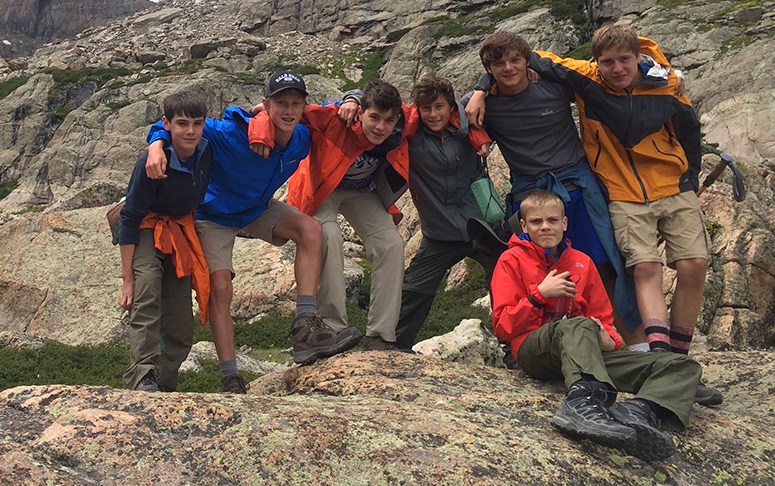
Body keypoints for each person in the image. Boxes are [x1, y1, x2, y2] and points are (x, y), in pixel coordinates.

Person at [145, 70, 361, 393]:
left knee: (311, 230)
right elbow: (173, 124)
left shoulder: (301, 136)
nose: (288, 111)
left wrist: (354, 98)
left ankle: (304, 327)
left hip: (258, 208)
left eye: (295, 104)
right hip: (214, 214)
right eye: (280, 103)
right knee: (220, 287)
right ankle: (230, 376)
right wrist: (155, 147)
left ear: (304, 107)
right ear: (265, 104)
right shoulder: (233, 134)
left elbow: (339, 111)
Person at [518, 28, 713, 371]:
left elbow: (688, 128)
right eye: (607, 62)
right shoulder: (587, 77)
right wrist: (480, 88)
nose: (617, 68)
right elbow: (522, 56)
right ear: (596, 62)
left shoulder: (664, 81)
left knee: (693, 265)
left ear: (638, 57)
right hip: (623, 192)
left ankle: (678, 357)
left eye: (624, 59)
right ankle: (664, 360)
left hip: (673, 184)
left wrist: (691, 176)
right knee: (645, 267)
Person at [491, 190, 701, 461]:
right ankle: (583, 402)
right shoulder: (511, 260)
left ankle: (638, 412)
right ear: (524, 226)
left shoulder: (582, 262)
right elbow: (502, 326)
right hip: (535, 352)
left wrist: (608, 339)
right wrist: (539, 295)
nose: (545, 227)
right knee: (576, 326)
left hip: (585, 354)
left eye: (553, 220)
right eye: (536, 222)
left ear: (565, 224)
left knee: (680, 365)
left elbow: (604, 320)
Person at [463, 31, 642, 343]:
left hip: (577, 185)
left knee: (603, 264)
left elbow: (604, 75)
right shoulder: (482, 102)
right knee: (526, 269)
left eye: (516, 60)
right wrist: (479, 93)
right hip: (529, 192)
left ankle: (627, 343)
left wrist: (670, 75)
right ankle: (529, 344)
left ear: (527, 60)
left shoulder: (552, 85)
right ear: (488, 69)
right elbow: (440, 114)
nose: (508, 68)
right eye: (499, 63)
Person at [247, 80, 409, 351]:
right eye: (374, 118)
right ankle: (331, 328)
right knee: (328, 234)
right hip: (321, 189)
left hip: (362, 192)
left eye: (389, 121)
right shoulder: (336, 117)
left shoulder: (403, 123)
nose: (381, 127)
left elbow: (441, 111)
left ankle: (380, 336)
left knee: (391, 245)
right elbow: (278, 111)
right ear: (360, 114)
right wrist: (262, 125)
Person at [115, 90, 214, 392]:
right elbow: (130, 219)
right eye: (182, 123)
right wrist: (127, 278)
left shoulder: (206, 150)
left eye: (197, 124)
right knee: (147, 288)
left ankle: (165, 382)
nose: (190, 131)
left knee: (181, 321)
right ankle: (142, 376)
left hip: (180, 229)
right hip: (146, 225)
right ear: (167, 124)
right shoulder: (151, 163)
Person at [394, 75, 501, 350]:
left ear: (451, 106)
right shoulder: (410, 134)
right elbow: (373, 103)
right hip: (439, 231)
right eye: (425, 108)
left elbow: (497, 73)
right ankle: (393, 349)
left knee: (505, 284)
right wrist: (350, 99)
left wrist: (480, 89)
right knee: (414, 291)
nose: (432, 114)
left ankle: (513, 348)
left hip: (482, 226)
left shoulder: (467, 121)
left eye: (439, 106)